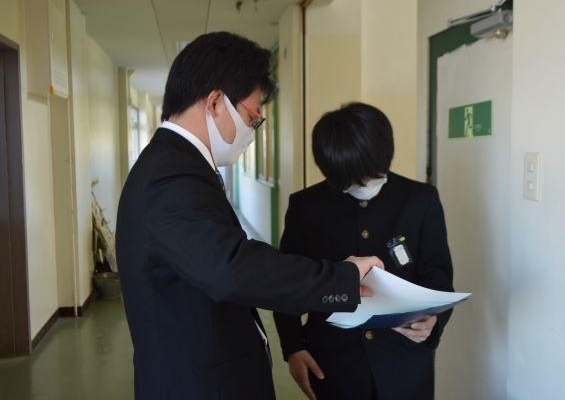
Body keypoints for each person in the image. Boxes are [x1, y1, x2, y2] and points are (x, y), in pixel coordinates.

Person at [115, 33, 383, 400]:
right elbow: (231, 268)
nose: (252, 133)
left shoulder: (177, 165)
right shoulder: (171, 176)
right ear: (215, 102)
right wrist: (342, 277)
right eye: (252, 117)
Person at [273, 103, 454, 400]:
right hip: (333, 362)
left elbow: (438, 275)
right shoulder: (306, 206)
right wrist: (293, 347)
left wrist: (433, 322)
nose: (364, 183)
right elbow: (288, 284)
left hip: (404, 362)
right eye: (353, 176)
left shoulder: (420, 199)